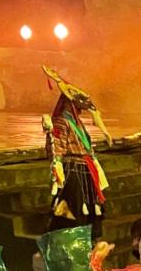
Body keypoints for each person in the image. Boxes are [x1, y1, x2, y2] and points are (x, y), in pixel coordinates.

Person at [44, 66, 112, 245]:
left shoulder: (76, 122)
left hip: (85, 168)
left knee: (91, 205)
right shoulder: (61, 121)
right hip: (73, 169)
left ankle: (90, 238)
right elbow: (57, 145)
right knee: (73, 204)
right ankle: (71, 239)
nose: (80, 110)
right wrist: (57, 164)